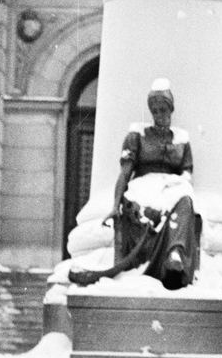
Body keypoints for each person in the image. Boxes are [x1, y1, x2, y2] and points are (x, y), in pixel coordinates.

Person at [69, 79, 201, 290]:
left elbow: (186, 171)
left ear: (171, 110)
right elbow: (125, 171)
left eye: (163, 110)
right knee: (140, 205)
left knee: (185, 201)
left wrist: (178, 185)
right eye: (155, 111)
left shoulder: (182, 140)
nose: (160, 115)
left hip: (173, 186)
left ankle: (174, 254)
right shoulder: (137, 136)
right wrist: (115, 204)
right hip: (144, 186)